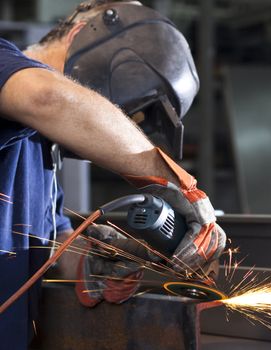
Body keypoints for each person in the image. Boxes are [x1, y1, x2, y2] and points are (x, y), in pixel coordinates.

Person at [0, 1, 226, 348]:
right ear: (79, 33)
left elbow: (47, 247)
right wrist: (172, 182)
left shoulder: (41, 150)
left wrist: (91, 261)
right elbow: (48, 98)